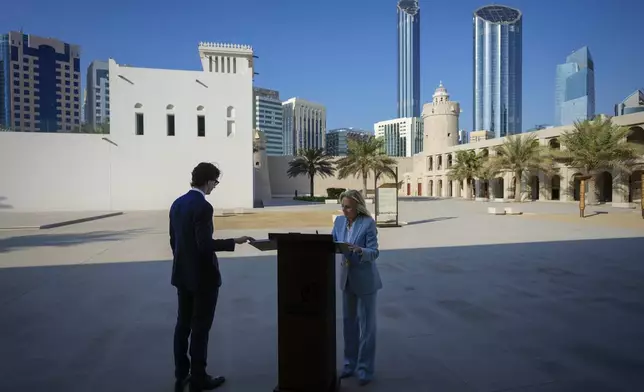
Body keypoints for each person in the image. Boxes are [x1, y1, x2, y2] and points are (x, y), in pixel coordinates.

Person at [170, 162, 254, 392]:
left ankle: (181, 375)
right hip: (203, 279)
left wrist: (184, 263)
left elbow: (173, 242)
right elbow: (204, 245)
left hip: (182, 275)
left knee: (182, 326)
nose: (215, 187)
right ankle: (199, 378)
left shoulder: (177, 204)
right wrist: (232, 242)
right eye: (215, 182)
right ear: (207, 181)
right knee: (200, 329)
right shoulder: (203, 207)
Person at [331, 189, 382, 386]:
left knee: (367, 328)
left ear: (358, 207)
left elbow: (374, 252)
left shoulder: (368, 223)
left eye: (348, 207)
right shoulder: (339, 222)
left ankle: (365, 369)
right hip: (346, 279)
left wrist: (361, 251)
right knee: (348, 325)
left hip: (366, 281)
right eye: (342, 206)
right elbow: (333, 243)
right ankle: (349, 365)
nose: (344, 210)